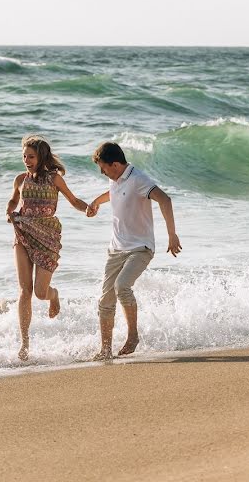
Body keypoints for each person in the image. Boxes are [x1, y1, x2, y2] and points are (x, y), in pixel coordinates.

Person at [86, 141, 181, 359]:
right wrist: (96, 202)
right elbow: (113, 192)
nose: (102, 172)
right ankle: (106, 349)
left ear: (116, 164)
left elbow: (165, 199)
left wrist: (172, 234)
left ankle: (133, 336)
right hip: (116, 249)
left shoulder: (138, 179)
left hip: (140, 248)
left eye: (103, 167)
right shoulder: (116, 179)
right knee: (105, 300)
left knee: (122, 286)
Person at [7, 135, 90, 361]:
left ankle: (54, 296)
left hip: (48, 236)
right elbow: (14, 201)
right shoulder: (20, 179)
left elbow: (73, 201)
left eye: (31, 156)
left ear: (41, 156)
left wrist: (87, 209)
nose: (26, 160)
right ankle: (24, 343)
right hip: (23, 233)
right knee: (24, 291)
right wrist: (9, 211)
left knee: (40, 293)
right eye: (24, 156)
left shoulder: (54, 179)